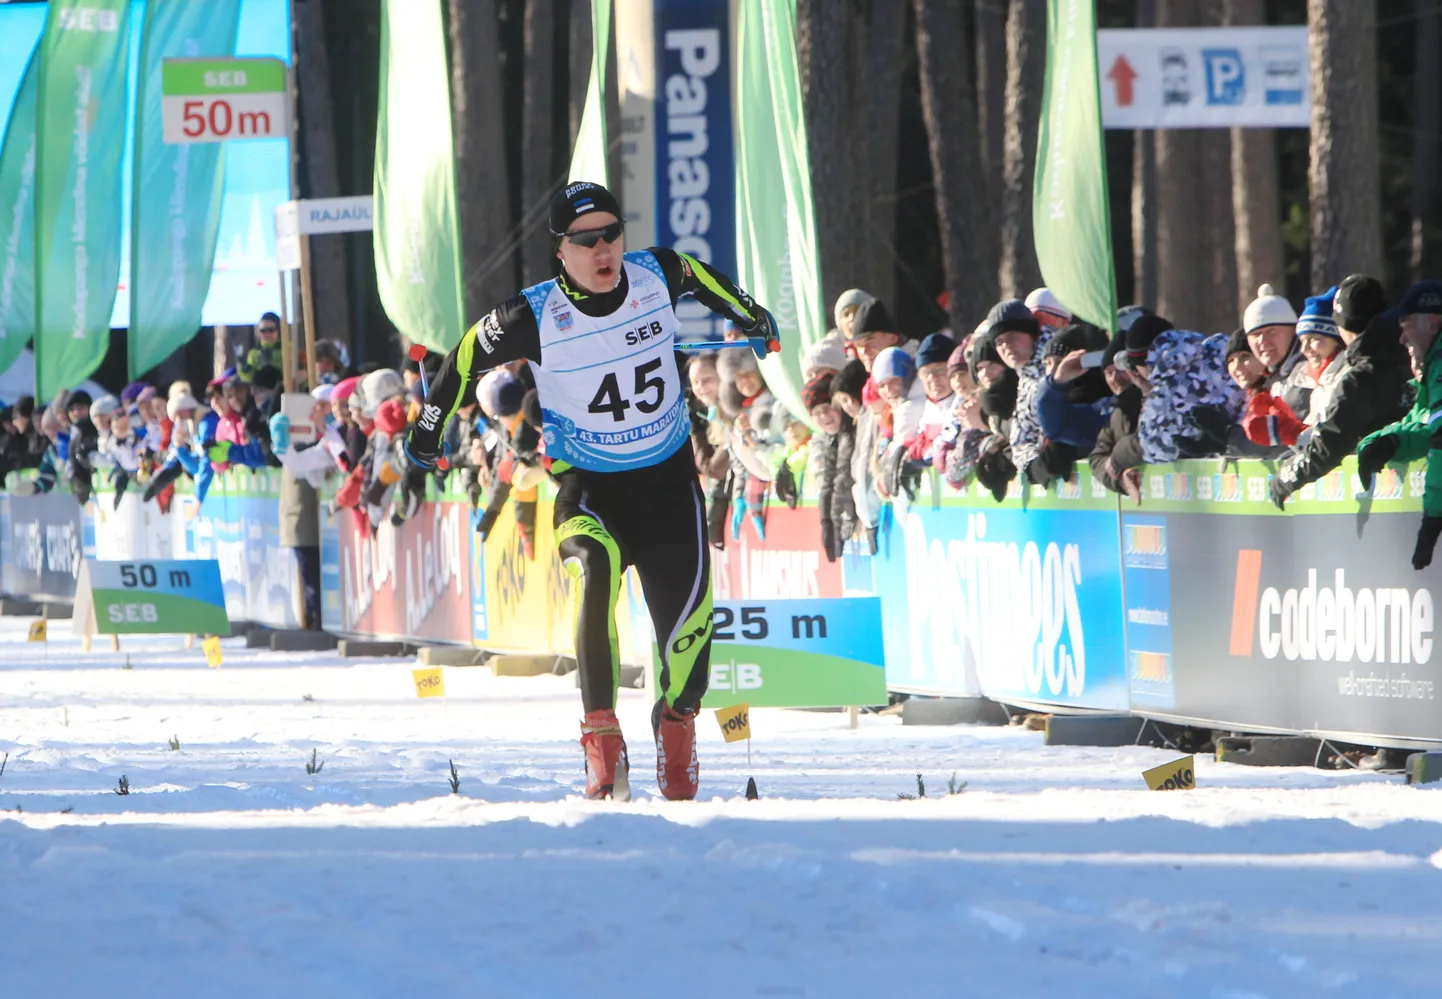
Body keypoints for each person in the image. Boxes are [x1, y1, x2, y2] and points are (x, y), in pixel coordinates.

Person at [405, 181, 778, 801]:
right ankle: (601, 738)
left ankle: (675, 722)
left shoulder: (655, 273)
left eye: (611, 233)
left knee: (688, 650)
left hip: (667, 488)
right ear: (560, 250)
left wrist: (751, 312)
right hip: (588, 491)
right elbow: (463, 360)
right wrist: (428, 429)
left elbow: (703, 277)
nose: (603, 249)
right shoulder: (532, 314)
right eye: (585, 239)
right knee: (596, 569)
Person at [1269, 275, 1411, 508]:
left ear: (1341, 326)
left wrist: (1285, 478)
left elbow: (1330, 442)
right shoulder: (1414, 354)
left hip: (1394, 503)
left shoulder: (1361, 377)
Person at [1354, 281, 1442, 568]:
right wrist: (1383, 442)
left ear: (1431, 321)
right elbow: (1422, 424)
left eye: (1405, 326)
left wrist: (1432, 520)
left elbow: (1440, 438)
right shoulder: (1433, 365)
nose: (1402, 339)